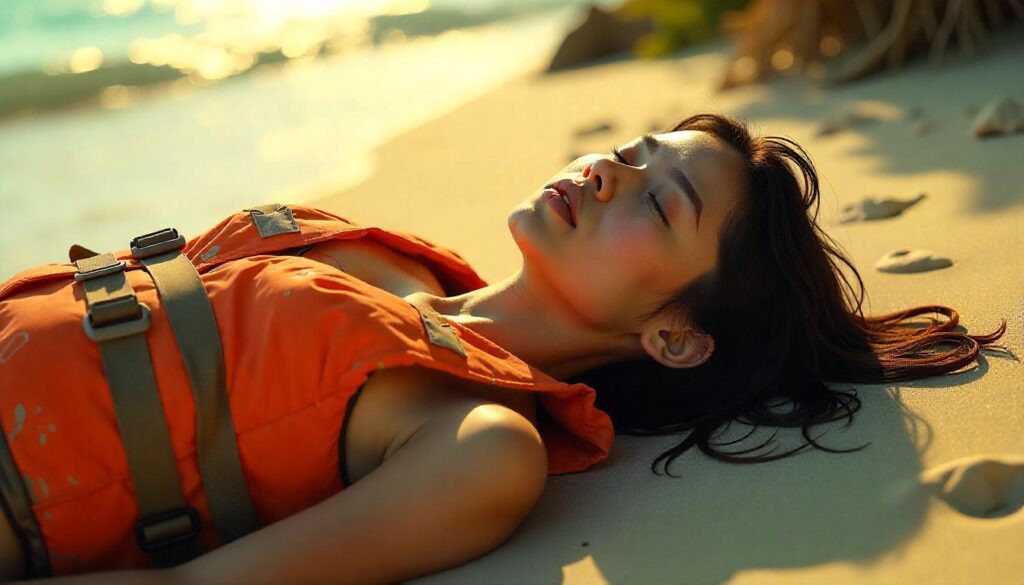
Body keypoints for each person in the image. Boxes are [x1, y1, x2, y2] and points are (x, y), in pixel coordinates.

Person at [0, 113, 1006, 584]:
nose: (609, 171)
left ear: (674, 338)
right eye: (630, 152)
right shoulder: (354, 242)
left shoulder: (476, 445)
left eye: (659, 200)